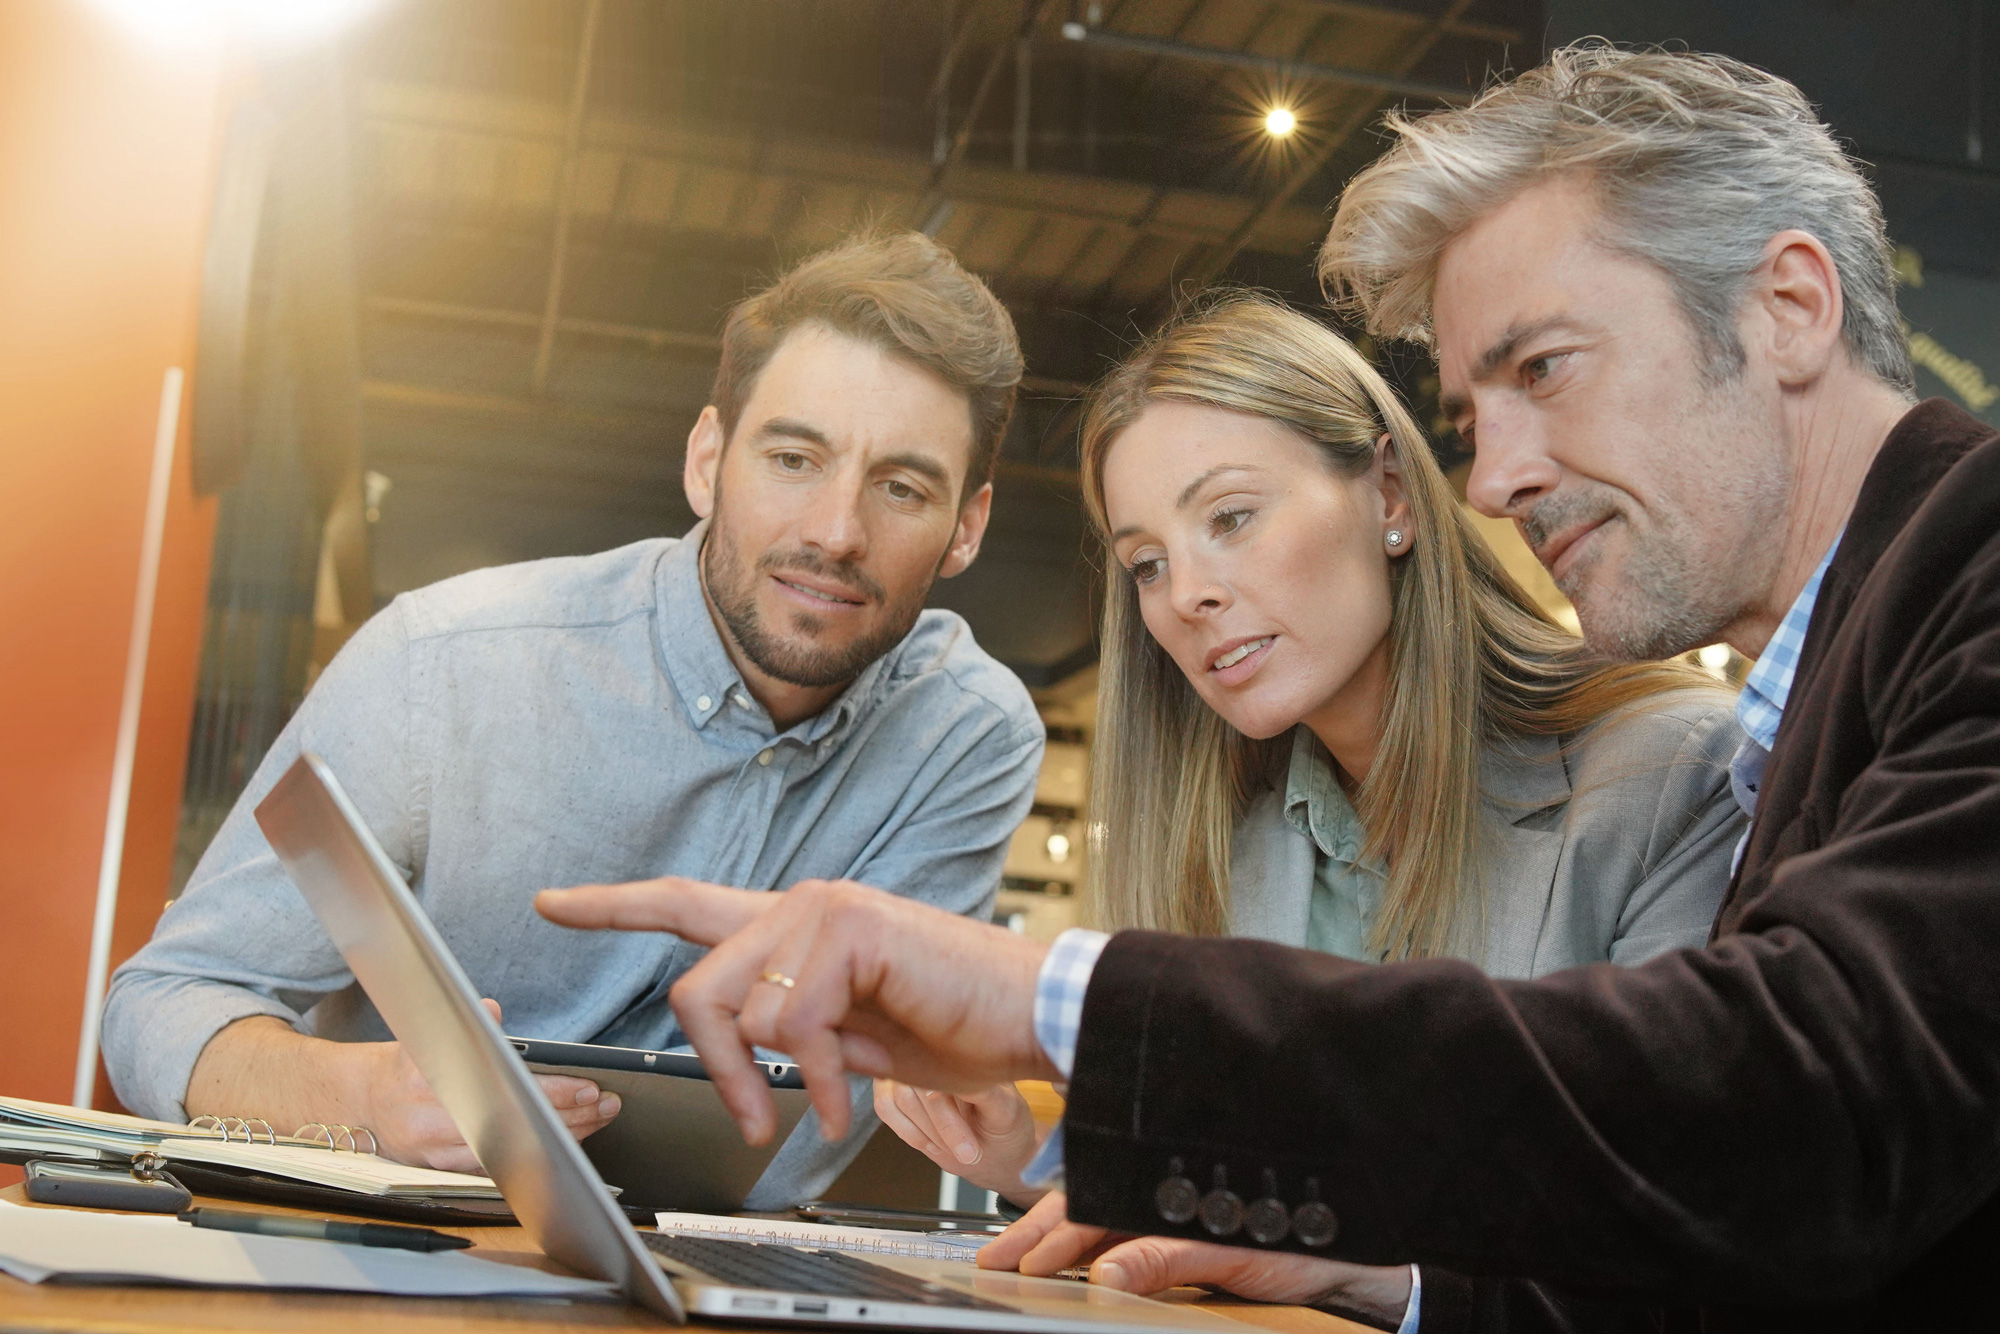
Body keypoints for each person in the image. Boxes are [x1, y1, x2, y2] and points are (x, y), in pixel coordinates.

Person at [536, 42, 2000, 1330]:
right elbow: (1723, 1234)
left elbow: (1791, 1116)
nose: (1496, 475)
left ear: (1793, 305)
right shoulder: (1813, 704)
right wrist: (1362, 1269)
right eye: (1475, 415)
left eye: (1545, 367)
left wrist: (1058, 1005)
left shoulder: (1954, 590)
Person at [103, 230, 1046, 1207]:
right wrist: (367, 1093)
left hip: (709, 1282)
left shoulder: (965, 739)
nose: (835, 531)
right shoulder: (444, 660)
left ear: (965, 527)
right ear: (707, 458)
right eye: (794, 456)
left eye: (901, 486)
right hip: (389, 1252)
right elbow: (160, 1005)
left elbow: (877, 1098)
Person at [872, 295, 1744, 1253]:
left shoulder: (1676, 775)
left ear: (1392, 496)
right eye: (1149, 564)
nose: (1191, 593)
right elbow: (1259, 1187)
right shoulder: (1233, 845)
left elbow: (1671, 1220)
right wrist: (1042, 1150)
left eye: (1232, 516)